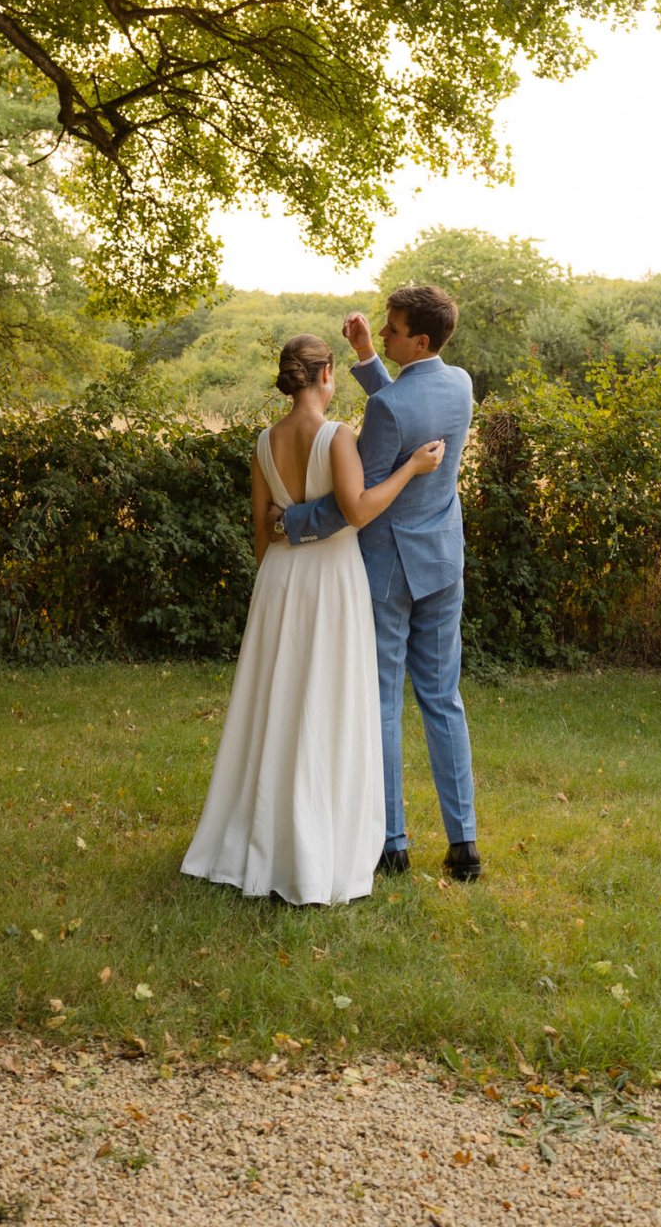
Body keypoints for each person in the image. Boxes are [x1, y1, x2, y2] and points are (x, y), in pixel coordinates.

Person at [180, 332, 445, 905]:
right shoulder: (337, 436)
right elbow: (357, 511)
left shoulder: (262, 441)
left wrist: (274, 583)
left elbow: (260, 529)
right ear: (327, 374)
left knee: (276, 704)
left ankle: (268, 834)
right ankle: (319, 840)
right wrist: (411, 471)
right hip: (331, 581)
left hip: (279, 579)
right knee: (327, 703)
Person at [271, 286, 481, 882]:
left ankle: (393, 844)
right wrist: (367, 359)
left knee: (385, 702)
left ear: (418, 340)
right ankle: (464, 844)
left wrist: (292, 522)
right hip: (443, 561)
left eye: (390, 331)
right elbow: (408, 408)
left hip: (388, 568)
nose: (382, 335)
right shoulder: (459, 384)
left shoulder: (388, 411)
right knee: (443, 699)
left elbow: (352, 501)